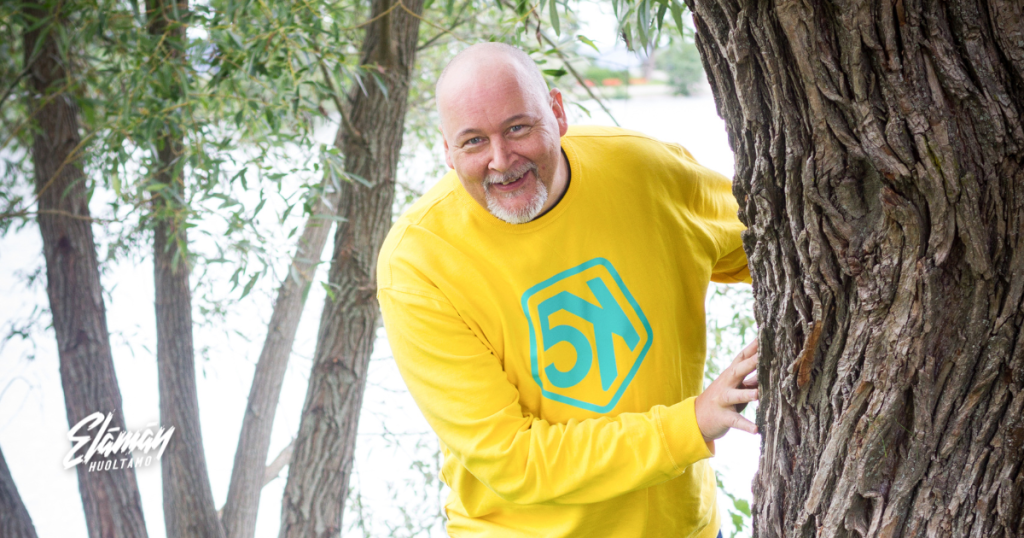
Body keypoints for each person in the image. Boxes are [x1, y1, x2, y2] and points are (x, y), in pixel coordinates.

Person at [376, 42, 759, 538]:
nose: (500, 160)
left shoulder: (645, 171)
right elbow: (514, 460)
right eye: (473, 141)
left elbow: (786, 250)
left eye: (518, 128)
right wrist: (692, 424)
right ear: (447, 151)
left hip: (683, 528)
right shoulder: (418, 263)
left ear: (557, 113)